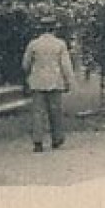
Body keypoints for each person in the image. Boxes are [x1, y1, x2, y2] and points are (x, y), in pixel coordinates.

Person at [23, 14, 75, 152]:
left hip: (37, 81)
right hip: (55, 81)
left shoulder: (33, 44)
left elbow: (25, 64)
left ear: (41, 29)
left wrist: (29, 74)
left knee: (38, 112)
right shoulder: (60, 44)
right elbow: (66, 65)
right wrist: (69, 81)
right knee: (55, 111)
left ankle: (38, 142)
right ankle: (56, 139)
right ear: (54, 29)